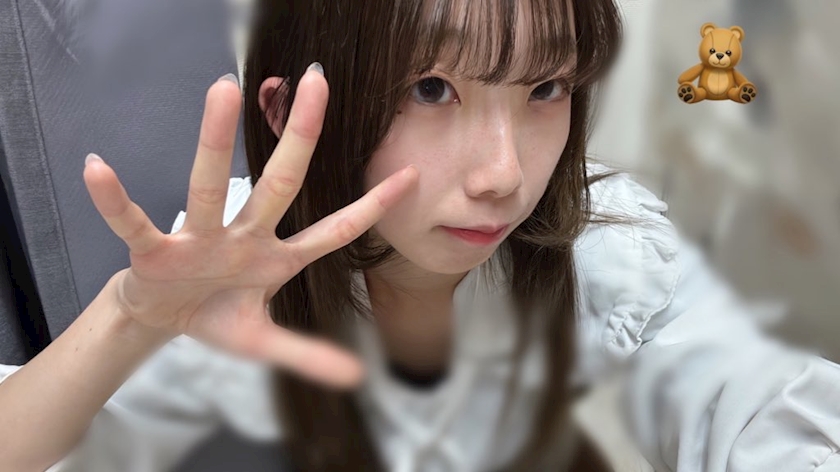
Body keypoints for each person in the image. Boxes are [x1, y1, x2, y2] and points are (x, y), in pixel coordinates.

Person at [1, 0, 839, 471]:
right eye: (431, 90)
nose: (504, 174)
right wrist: (129, 319)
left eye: (545, 88)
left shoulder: (602, 242)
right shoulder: (222, 277)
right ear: (287, 111)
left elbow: (764, 399)